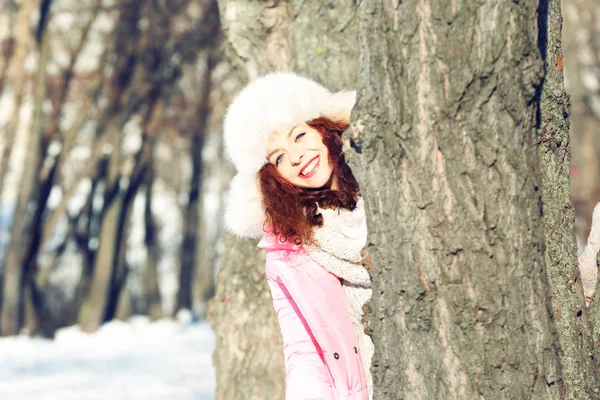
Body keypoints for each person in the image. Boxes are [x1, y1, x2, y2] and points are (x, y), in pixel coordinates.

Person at [223, 72, 373, 400]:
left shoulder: (385, 188)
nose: (294, 157)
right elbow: (303, 351)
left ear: (323, 128)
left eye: (299, 136)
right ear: (272, 177)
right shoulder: (287, 251)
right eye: (277, 157)